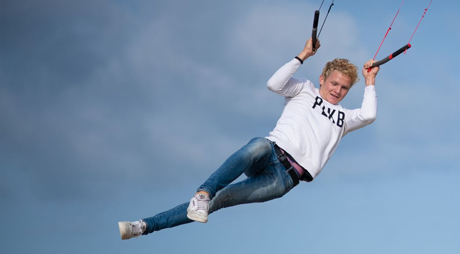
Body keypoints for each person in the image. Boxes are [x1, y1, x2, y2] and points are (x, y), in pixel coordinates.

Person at [117, 37, 380, 240]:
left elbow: (368, 115)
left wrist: (370, 82)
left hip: (283, 179)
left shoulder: (344, 117)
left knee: (219, 202)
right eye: (334, 83)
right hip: (271, 151)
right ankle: (203, 191)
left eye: (344, 87)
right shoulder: (304, 88)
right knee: (256, 145)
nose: (338, 90)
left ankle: (141, 227)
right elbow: (274, 84)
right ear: (322, 79)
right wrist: (303, 55)